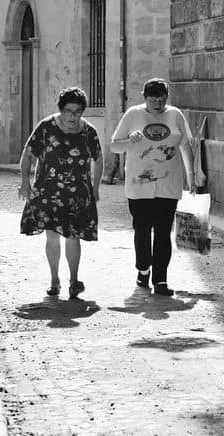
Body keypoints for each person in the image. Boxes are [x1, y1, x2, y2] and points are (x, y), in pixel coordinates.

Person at [109, 78, 206, 296]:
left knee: (163, 232)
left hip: (168, 184)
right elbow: (115, 146)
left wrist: (191, 175)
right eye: (153, 100)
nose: (158, 105)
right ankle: (143, 269)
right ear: (145, 98)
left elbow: (185, 146)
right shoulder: (133, 114)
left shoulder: (175, 115)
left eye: (162, 100)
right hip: (139, 184)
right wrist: (129, 141)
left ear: (166, 98)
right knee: (142, 230)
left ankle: (160, 279)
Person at [18, 87, 103, 299]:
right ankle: (54, 280)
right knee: (53, 235)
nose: (73, 116)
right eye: (68, 111)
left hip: (77, 194)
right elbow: (28, 155)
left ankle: (74, 281)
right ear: (61, 109)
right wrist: (25, 183)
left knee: (74, 236)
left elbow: (99, 159)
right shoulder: (46, 127)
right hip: (49, 191)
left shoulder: (88, 131)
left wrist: (95, 188)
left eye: (77, 111)